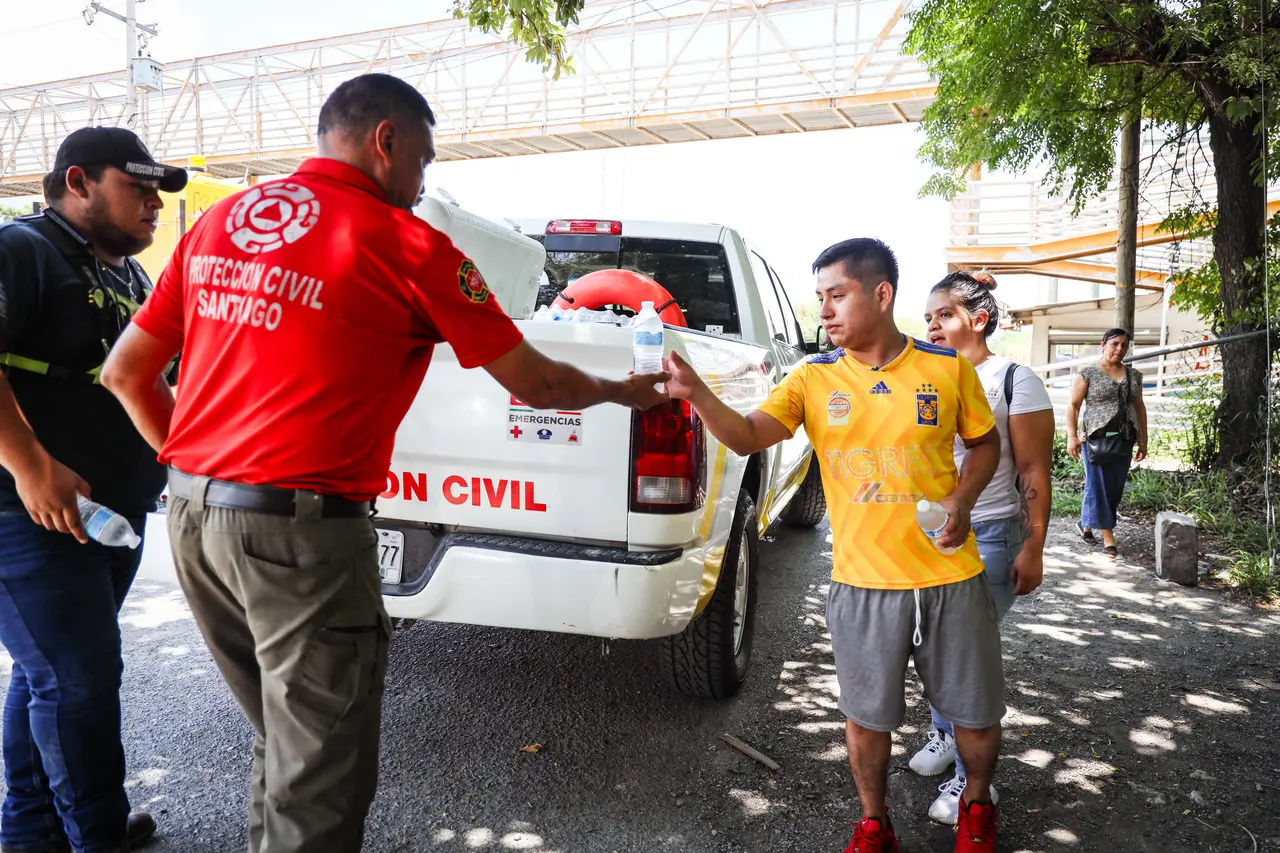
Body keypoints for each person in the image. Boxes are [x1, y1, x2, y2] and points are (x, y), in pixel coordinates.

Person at [101, 73, 666, 853]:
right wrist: (625, 392)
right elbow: (535, 380)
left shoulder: (222, 221)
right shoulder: (404, 241)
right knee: (322, 779)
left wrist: (201, 473)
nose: (422, 184)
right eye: (423, 163)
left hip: (197, 521)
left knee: (284, 739)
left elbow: (126, 374)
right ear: (386, 141)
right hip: (301, 541)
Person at [664, 238, 1003, 853]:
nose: (823, 310)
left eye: (836, 295)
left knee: (975, 713)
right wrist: (696, 394)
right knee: (866, 718)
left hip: (950, 573)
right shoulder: (813, 379)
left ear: (881, 295)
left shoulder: (945, 367)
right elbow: (744, 436)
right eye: (819, 297)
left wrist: (962, 500)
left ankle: (977, 808)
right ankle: (875, 824)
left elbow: (985, 445)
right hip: (862, 582)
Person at [0, 127, 183, 853]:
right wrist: (30, 465)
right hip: (30, 513)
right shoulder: (21, 249)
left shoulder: (123, 273)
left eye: (157, 194)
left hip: (110, 514)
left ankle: (31, 831)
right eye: (137, 187)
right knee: (79, 682)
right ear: (78, 181)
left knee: (48, 675)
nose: (154, 205)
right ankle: (96, 835)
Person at [910, 270, 1055, 823]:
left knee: (963, 657)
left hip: (991, 533)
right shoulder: (925, 375)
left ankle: (972, 784)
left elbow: (1035, 470)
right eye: (928, 318)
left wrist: (1034, 545)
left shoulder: (1013, 379)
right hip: (927, 536)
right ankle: (945, 735)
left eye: (944, 315)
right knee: (933, 647)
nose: (933, 326)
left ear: (979, 319)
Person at [1065, 328, 1148, 558]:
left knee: (1113, 487)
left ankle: (1085, 523)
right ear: (1103, 345)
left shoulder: (1135, 375)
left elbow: (1139, 407)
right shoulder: (1088, 373)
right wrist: (1072, 436)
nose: (1119, 349)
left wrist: (1144, 439)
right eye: (1114, 344)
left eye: (1124, 345)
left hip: (1125, 438)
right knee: (1099, 484)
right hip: (1095, 439)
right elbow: (1073, 406)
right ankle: (1108, 536)